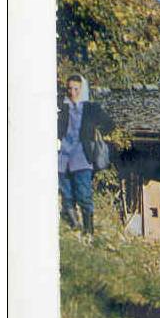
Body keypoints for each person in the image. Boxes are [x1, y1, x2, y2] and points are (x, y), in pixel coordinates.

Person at [57, 74, 113, 235]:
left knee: (83, 194)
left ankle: (89, 231)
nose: (72, 92)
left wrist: (94, 134)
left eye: (76, 89)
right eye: (69, 88)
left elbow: (109, 124)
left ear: (82, 90)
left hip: (82, 157)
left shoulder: (91, 108)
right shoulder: (62, 107)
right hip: (62, 156)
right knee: (66, 194)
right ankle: (75, 226)